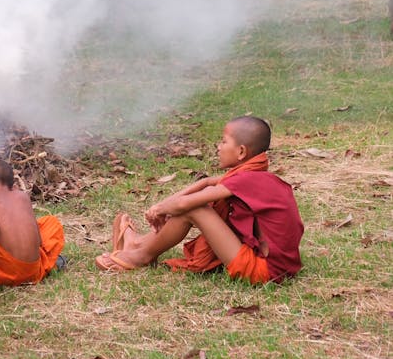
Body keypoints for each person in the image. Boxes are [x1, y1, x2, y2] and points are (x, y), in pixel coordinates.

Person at [95, 116, 303, 284]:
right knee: (192, 204)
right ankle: (138, 244)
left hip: (264, 271)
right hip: (267, 264)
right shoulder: (254, 174)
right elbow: (207, 184)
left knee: (196, 209)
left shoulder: (249, 179)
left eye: (223, 141)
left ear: (241, 152)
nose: (218, 147)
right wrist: (161, 206)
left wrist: (160, 210)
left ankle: (142, 255)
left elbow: (186, 204)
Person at [0, 159, 65, 286]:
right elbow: (38, 241)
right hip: (34, 271)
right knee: (50, 222)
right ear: (13, 184)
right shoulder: (23, 197)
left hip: (3, 275)